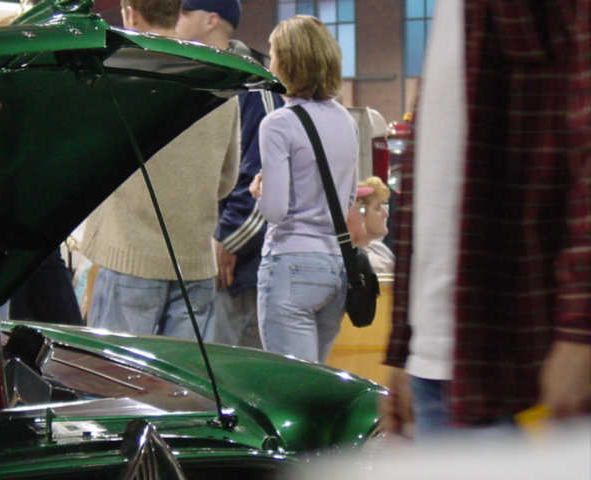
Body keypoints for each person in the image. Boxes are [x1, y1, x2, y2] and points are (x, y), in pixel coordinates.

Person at [384, 0, 591, 439]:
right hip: (440, 366)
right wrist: (406, 347)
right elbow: (434, 176)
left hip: (538, 369)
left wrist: (581, 328)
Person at [81, 0, 241, 340]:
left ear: (130, 13)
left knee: (117, 370)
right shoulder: (222, 80)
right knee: (182, 374)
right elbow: (227, 181)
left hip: (130, 256)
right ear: (176, 10)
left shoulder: (116, 74)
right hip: (195, 263)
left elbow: (89, 165)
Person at [249, 15, 359, 363]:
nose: (269, 62)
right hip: (335, 266)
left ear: (288, 62)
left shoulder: (278, 124)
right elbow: (349, 197)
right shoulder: (346, 120)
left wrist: (259, 191)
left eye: (272, 54)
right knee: (316, 381)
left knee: (290, 383)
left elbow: (275, 210)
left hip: (290, 263)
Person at [211, 38, 283, 348]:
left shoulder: (254, 90)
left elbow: (261, 183)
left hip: (240, 266)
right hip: (226, 258)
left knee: (227, 363)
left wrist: (228, 238)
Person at [347, 176, 394, 274]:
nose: (386, 214)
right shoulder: (352, 258)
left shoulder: (380, 248)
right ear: (360, 213)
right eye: (377, 208)